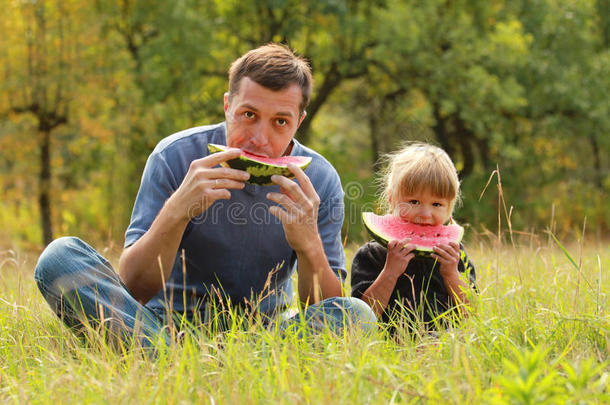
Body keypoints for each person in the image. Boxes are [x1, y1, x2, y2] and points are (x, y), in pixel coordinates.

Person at [34, 43, 375, 348]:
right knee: (59, 257)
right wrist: (177, 212)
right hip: (161, 326)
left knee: (357, 314)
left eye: (280, 122)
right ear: (228, 105)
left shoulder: (319, 180)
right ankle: (173, 356)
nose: (259, 137)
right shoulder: (174, 157)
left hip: (266, 336)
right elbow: (134, 288)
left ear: (298, 122)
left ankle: (170, 362)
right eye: (249, 115)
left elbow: (324, 307)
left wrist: (309, 245)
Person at [350, 143, 476, 335]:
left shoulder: (454, 254)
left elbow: (473, 314)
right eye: (414, 202)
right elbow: (361, 319)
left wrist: (451, 274)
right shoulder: (370, 255)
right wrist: (390, 272)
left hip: (446, 349)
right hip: (390, 350)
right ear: (392, 199)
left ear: (449, 207)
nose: (425, 214)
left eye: (436, 204)